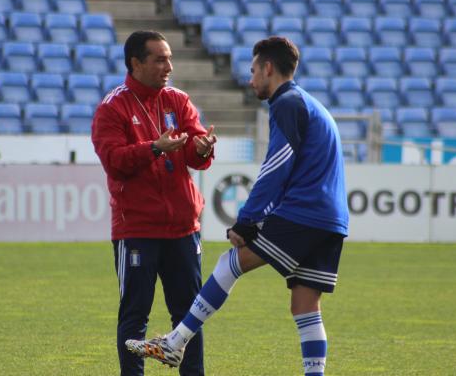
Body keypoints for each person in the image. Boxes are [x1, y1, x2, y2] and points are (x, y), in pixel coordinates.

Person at [125, 36, 349, 376]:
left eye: (253, 71)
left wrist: (247, 221)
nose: (250, 80)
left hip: (305, 213)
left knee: (230, 262)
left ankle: (175, 342)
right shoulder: (311, 104)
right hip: (331, 220)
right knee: (305, 305)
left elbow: (278, 165)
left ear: (268, 68)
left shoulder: (286, 102)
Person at [91, 30, 217, 376]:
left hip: (182, 227)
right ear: (136, 63)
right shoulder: (111, 107)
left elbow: (193, 147)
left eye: (170, 58)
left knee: (190, 315)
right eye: (160, 59)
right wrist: (155, 148)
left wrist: (203, 148)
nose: (169, 66)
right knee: (134, 316)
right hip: (137, 229)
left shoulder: (178, 100)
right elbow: (114, 160)